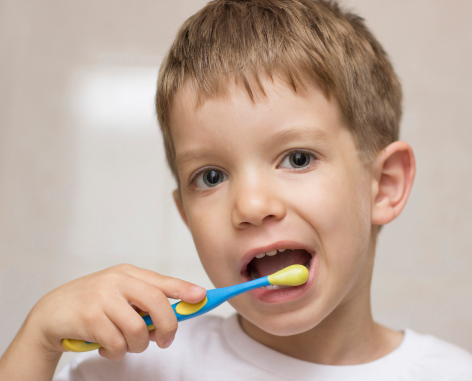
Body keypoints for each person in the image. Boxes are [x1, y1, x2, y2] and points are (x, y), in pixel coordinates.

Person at [1, 0, 472, 380]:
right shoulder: (136, 369)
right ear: (185, 214)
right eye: (211, 176)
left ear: (384, 186)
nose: (250, 206)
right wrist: (36, 342)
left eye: (298, 158)